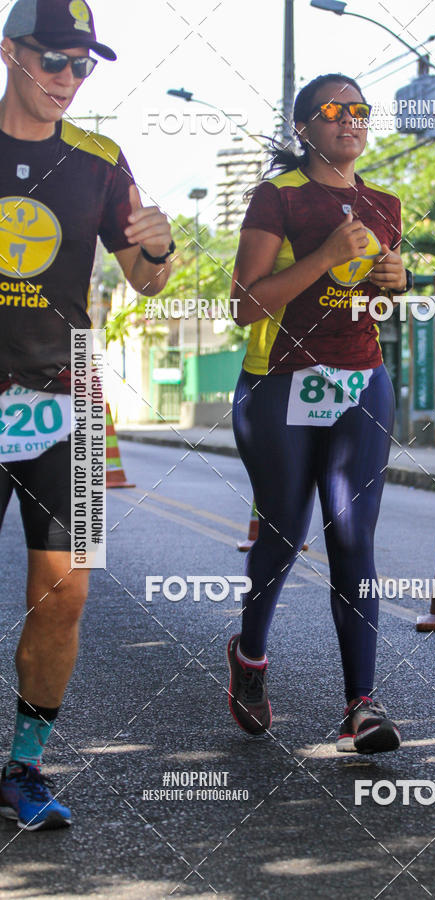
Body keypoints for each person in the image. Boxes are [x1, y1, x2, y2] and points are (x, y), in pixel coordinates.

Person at [0, 0, 175, 830]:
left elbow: (147, 280)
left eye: (83, 65)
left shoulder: (102, 161)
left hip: (66, 397)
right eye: (54, 60)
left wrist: (160, 244)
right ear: (10, 53)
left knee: (64, 591)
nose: (68, 79)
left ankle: (24, 768)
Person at [228, 73, 407, 754]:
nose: (352, 120)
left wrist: (396, 281)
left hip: (362, 381)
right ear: (304, 127)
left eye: (361, 110)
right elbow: (247, 301)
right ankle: (249, 657)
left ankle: (361, 704)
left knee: (354, 535)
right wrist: (327, 256)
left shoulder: (383, 203)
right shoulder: (277, 198)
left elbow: (372, 300)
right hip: (279, 382)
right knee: (284, 532)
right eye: (335, 111)